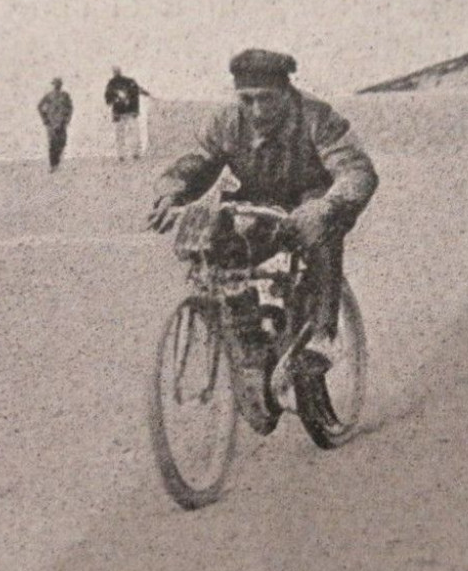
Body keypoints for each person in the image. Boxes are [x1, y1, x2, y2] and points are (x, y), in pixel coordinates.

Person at [147, 48, 377, 385]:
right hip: (255, 203)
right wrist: (172, 192)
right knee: (219, 248)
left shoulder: (318, 118)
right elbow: (198, 160)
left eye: (266, 99)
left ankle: (320, 336)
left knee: (320, 237)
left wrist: (328, 205)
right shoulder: (226, 122)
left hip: (312, 199)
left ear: (286, 92)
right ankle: (249, 337)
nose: (256, 110)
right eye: (247, 99)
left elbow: (356, 170)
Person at [104, 66, 150, 162]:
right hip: (128, 112)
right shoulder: (128, 81)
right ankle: (133, 154)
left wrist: (114, 100)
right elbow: (138, 90)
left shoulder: (111, 84)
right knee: (132, 132)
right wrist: (145, 93)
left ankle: (122, 155)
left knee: (121, 134)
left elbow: (108, 100)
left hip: (120, 113)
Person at [37, 77, 74, 171]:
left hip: (62, 122)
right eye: (55, 84)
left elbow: (70, 107)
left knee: (62, 142)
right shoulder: (49, 96)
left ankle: (57, 162)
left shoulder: (65, 96)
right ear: (53, 85)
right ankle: (53, 165)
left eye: (59, 84)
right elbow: (40, 106)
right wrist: (45, 119)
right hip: (51, 123)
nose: (57, 86)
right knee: (53, 143)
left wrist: (67, 119)